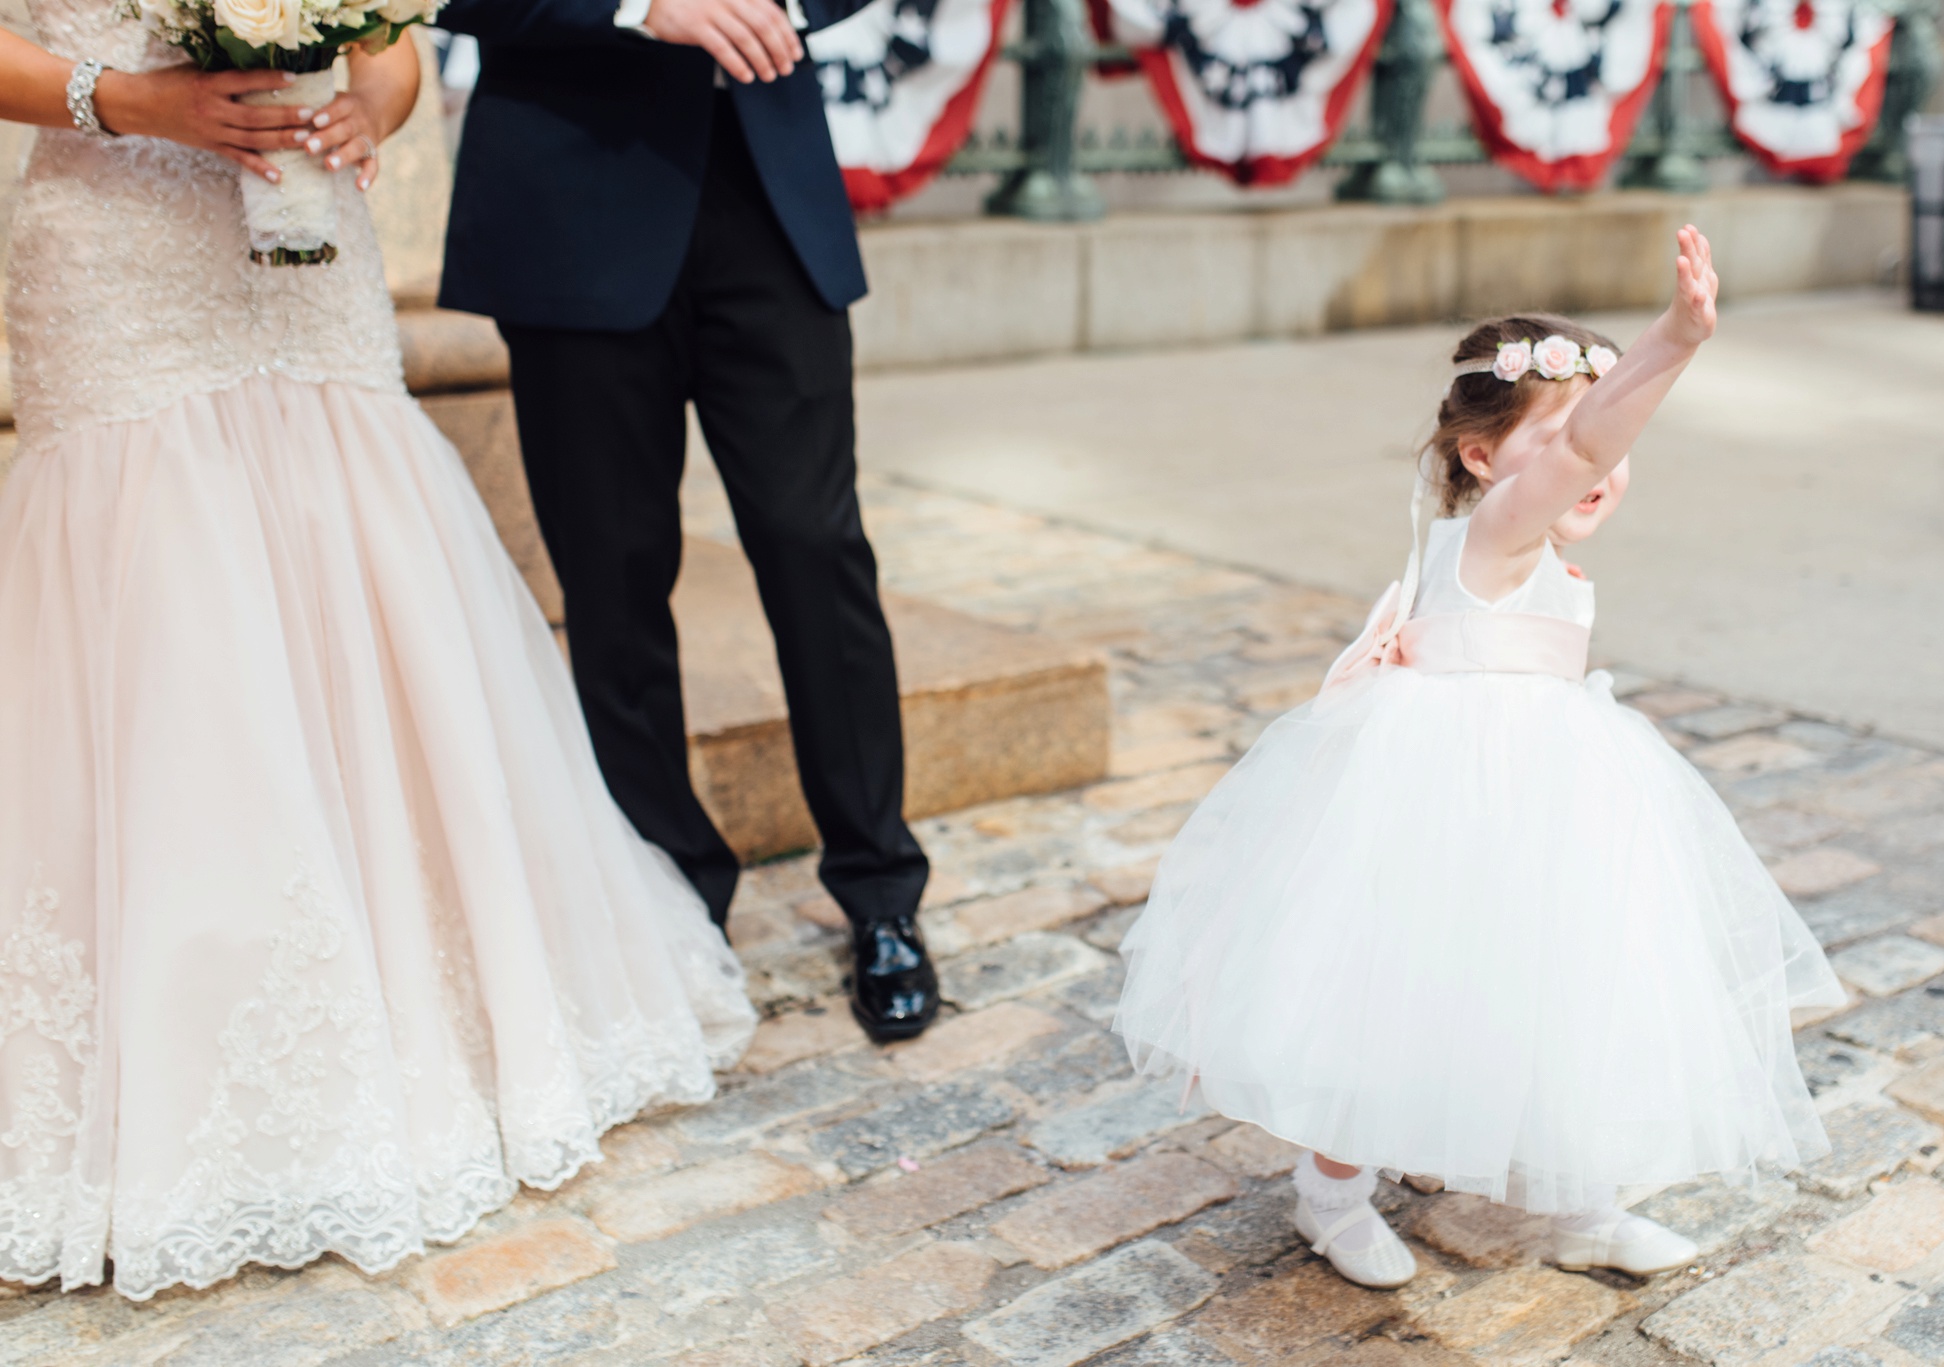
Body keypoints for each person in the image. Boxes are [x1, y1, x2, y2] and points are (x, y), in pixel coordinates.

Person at [0, 15, 755, 1300]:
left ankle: (433, 1015)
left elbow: (391, 41)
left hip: (304, 235)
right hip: (113, 237)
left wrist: (370, 110)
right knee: (164, 590)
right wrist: (127, 100)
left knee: (350, 538)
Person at [1113, 228, 1844, 1287]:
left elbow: (1590, 443)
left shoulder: (1530, 545)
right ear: (1483, 459)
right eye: (1555, 443)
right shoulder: (1497, 531)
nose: (1597, 464)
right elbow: (1587, 443)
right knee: (1393, 989)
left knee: (1562, 982)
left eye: (1606, 445)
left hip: (1546, 807)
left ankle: (1583, 1199)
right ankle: (1330, 1192)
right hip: (1440, 806)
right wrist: (1674, 341)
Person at [433, 0, 941, 1043]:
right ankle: (672, 896)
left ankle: (881, 889)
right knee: (610, 576)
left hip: (765, 186)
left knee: (817, 547)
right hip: (573, 191)